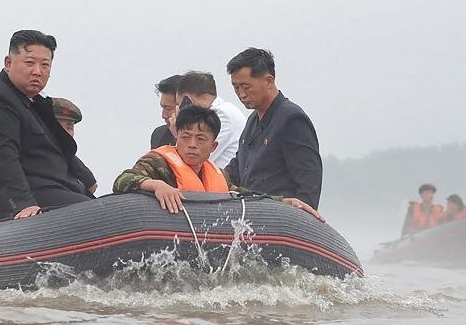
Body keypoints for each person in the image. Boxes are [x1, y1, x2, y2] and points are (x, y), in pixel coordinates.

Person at [0, 30, 92, 226]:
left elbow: (55, 146)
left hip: (52, 187)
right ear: (8, 63)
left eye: (45, 65)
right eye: (30, 63)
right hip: (11, 198)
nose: (37, 71)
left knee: (108, 209)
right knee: (90, 213)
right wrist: (23, 203)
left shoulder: (34, 103)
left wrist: (86, 178)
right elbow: (2, 158)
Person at [114, 105, 322, 220]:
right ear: (176, 139)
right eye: (185, 137)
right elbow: (123, 180)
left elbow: (243, 195)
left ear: (213, 147)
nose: (192, 144)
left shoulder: (218, 175)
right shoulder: (158, 161)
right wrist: (156, 185)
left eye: (201, 139)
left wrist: (284, 202)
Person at [223, 48, 323, 209]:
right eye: (236, 88)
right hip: (250, 217)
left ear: (269, 81)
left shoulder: (292, 119)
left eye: (246, 87)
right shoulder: (252, 121)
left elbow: (309, 182)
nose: (241, 94)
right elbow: (235, 170)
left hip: (280, 220)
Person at [171, 71, 246, 167]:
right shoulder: (226, 110)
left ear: (187, 100)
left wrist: (177, 133)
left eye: (179, 104)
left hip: (222, 179)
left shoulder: (222, 115)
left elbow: (191, 160)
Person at [51, 97, 98, 195]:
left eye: (69, 127)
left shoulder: (69, 156)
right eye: (58, 126)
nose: (65, 132)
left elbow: (92, 185)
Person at [149, 75, 181, 149]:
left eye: (168, 108)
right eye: (163, 108)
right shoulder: (158, 135)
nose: (163, 115)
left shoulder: (204, 139)